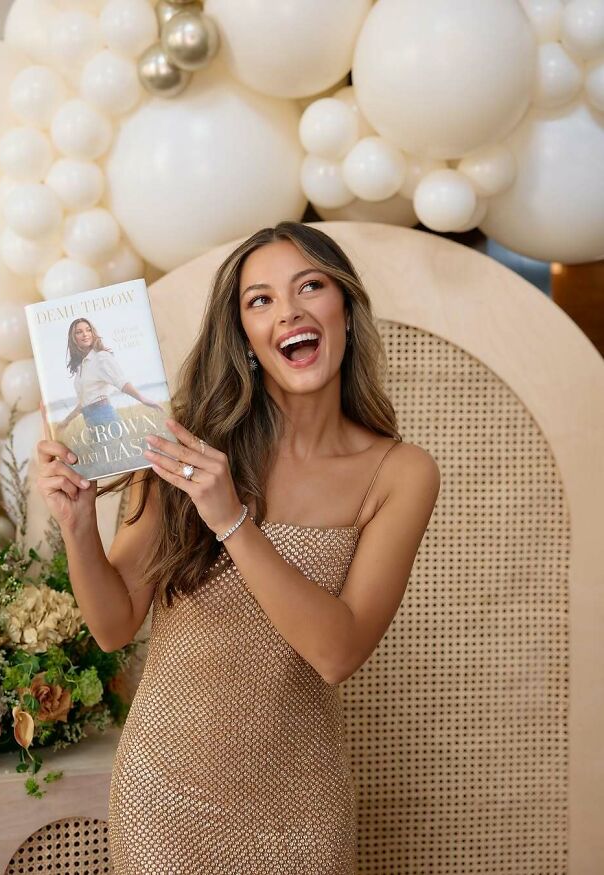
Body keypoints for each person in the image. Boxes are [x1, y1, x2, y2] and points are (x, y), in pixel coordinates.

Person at [35, 222, 441, 873]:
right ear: (247, 337)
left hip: (302, 814)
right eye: (261, 299)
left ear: (345, 311)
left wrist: (231, 521)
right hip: (163, 800)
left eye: (311, 286)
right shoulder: (182, 444)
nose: (290, 311)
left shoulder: (402, 472)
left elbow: (338, 652)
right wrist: (79, 524)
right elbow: (113, 627)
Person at [58, 317, 165, 431]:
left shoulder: (101, 357)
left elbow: (121, 382)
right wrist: (66, 421)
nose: (85, 334)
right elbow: (84, 402)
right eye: (79, 332)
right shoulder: (82, 367)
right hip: (90, 420)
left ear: (93, 333)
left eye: (88, 330)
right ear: (73, 338)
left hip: (104, 415)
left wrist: (143, 399)